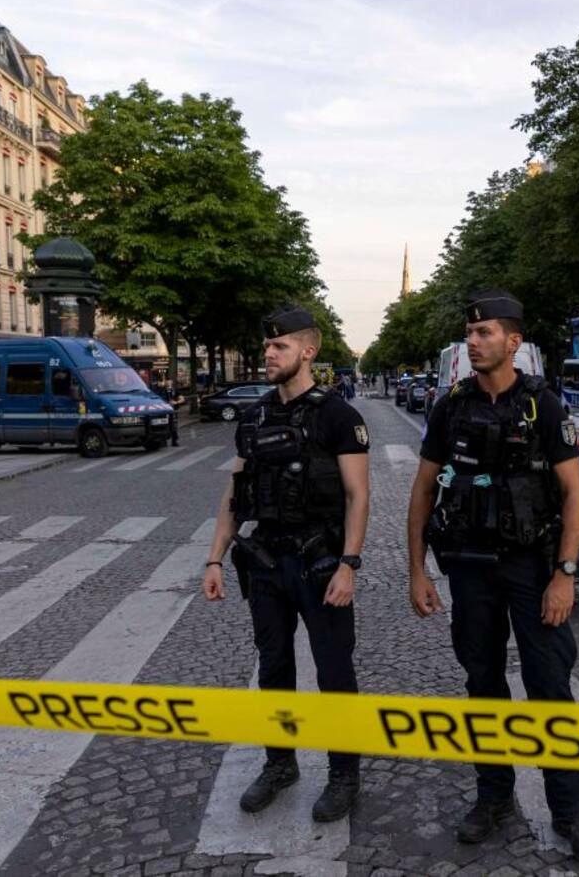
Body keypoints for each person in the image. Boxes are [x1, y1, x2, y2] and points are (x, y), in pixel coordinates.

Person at [405, 289, 579, 866]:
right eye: (469, 334)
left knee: (550, 690)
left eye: (485, 333)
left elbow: (574, 495)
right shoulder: (451, 407)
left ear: (513, 342)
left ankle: (570, 811)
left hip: (532, 569)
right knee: (483, 686)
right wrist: (416, 571)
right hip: (469, 569)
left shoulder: (543, 405)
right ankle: (493, 798)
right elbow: (422, 491)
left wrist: (565, 575)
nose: (473, 342)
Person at [201, 305, 370, 823]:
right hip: (267, 563)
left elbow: (357, 495)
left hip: (321, 564)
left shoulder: (339, 415)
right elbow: (235, 490)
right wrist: (214, 557)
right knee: (273, 670)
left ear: (307, 352)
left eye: (279, 347)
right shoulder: (254, 417)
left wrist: (349, 565)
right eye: (266, 347)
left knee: (334, 672)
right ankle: (280, 763)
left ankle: (344, 774)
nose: (268, 354)